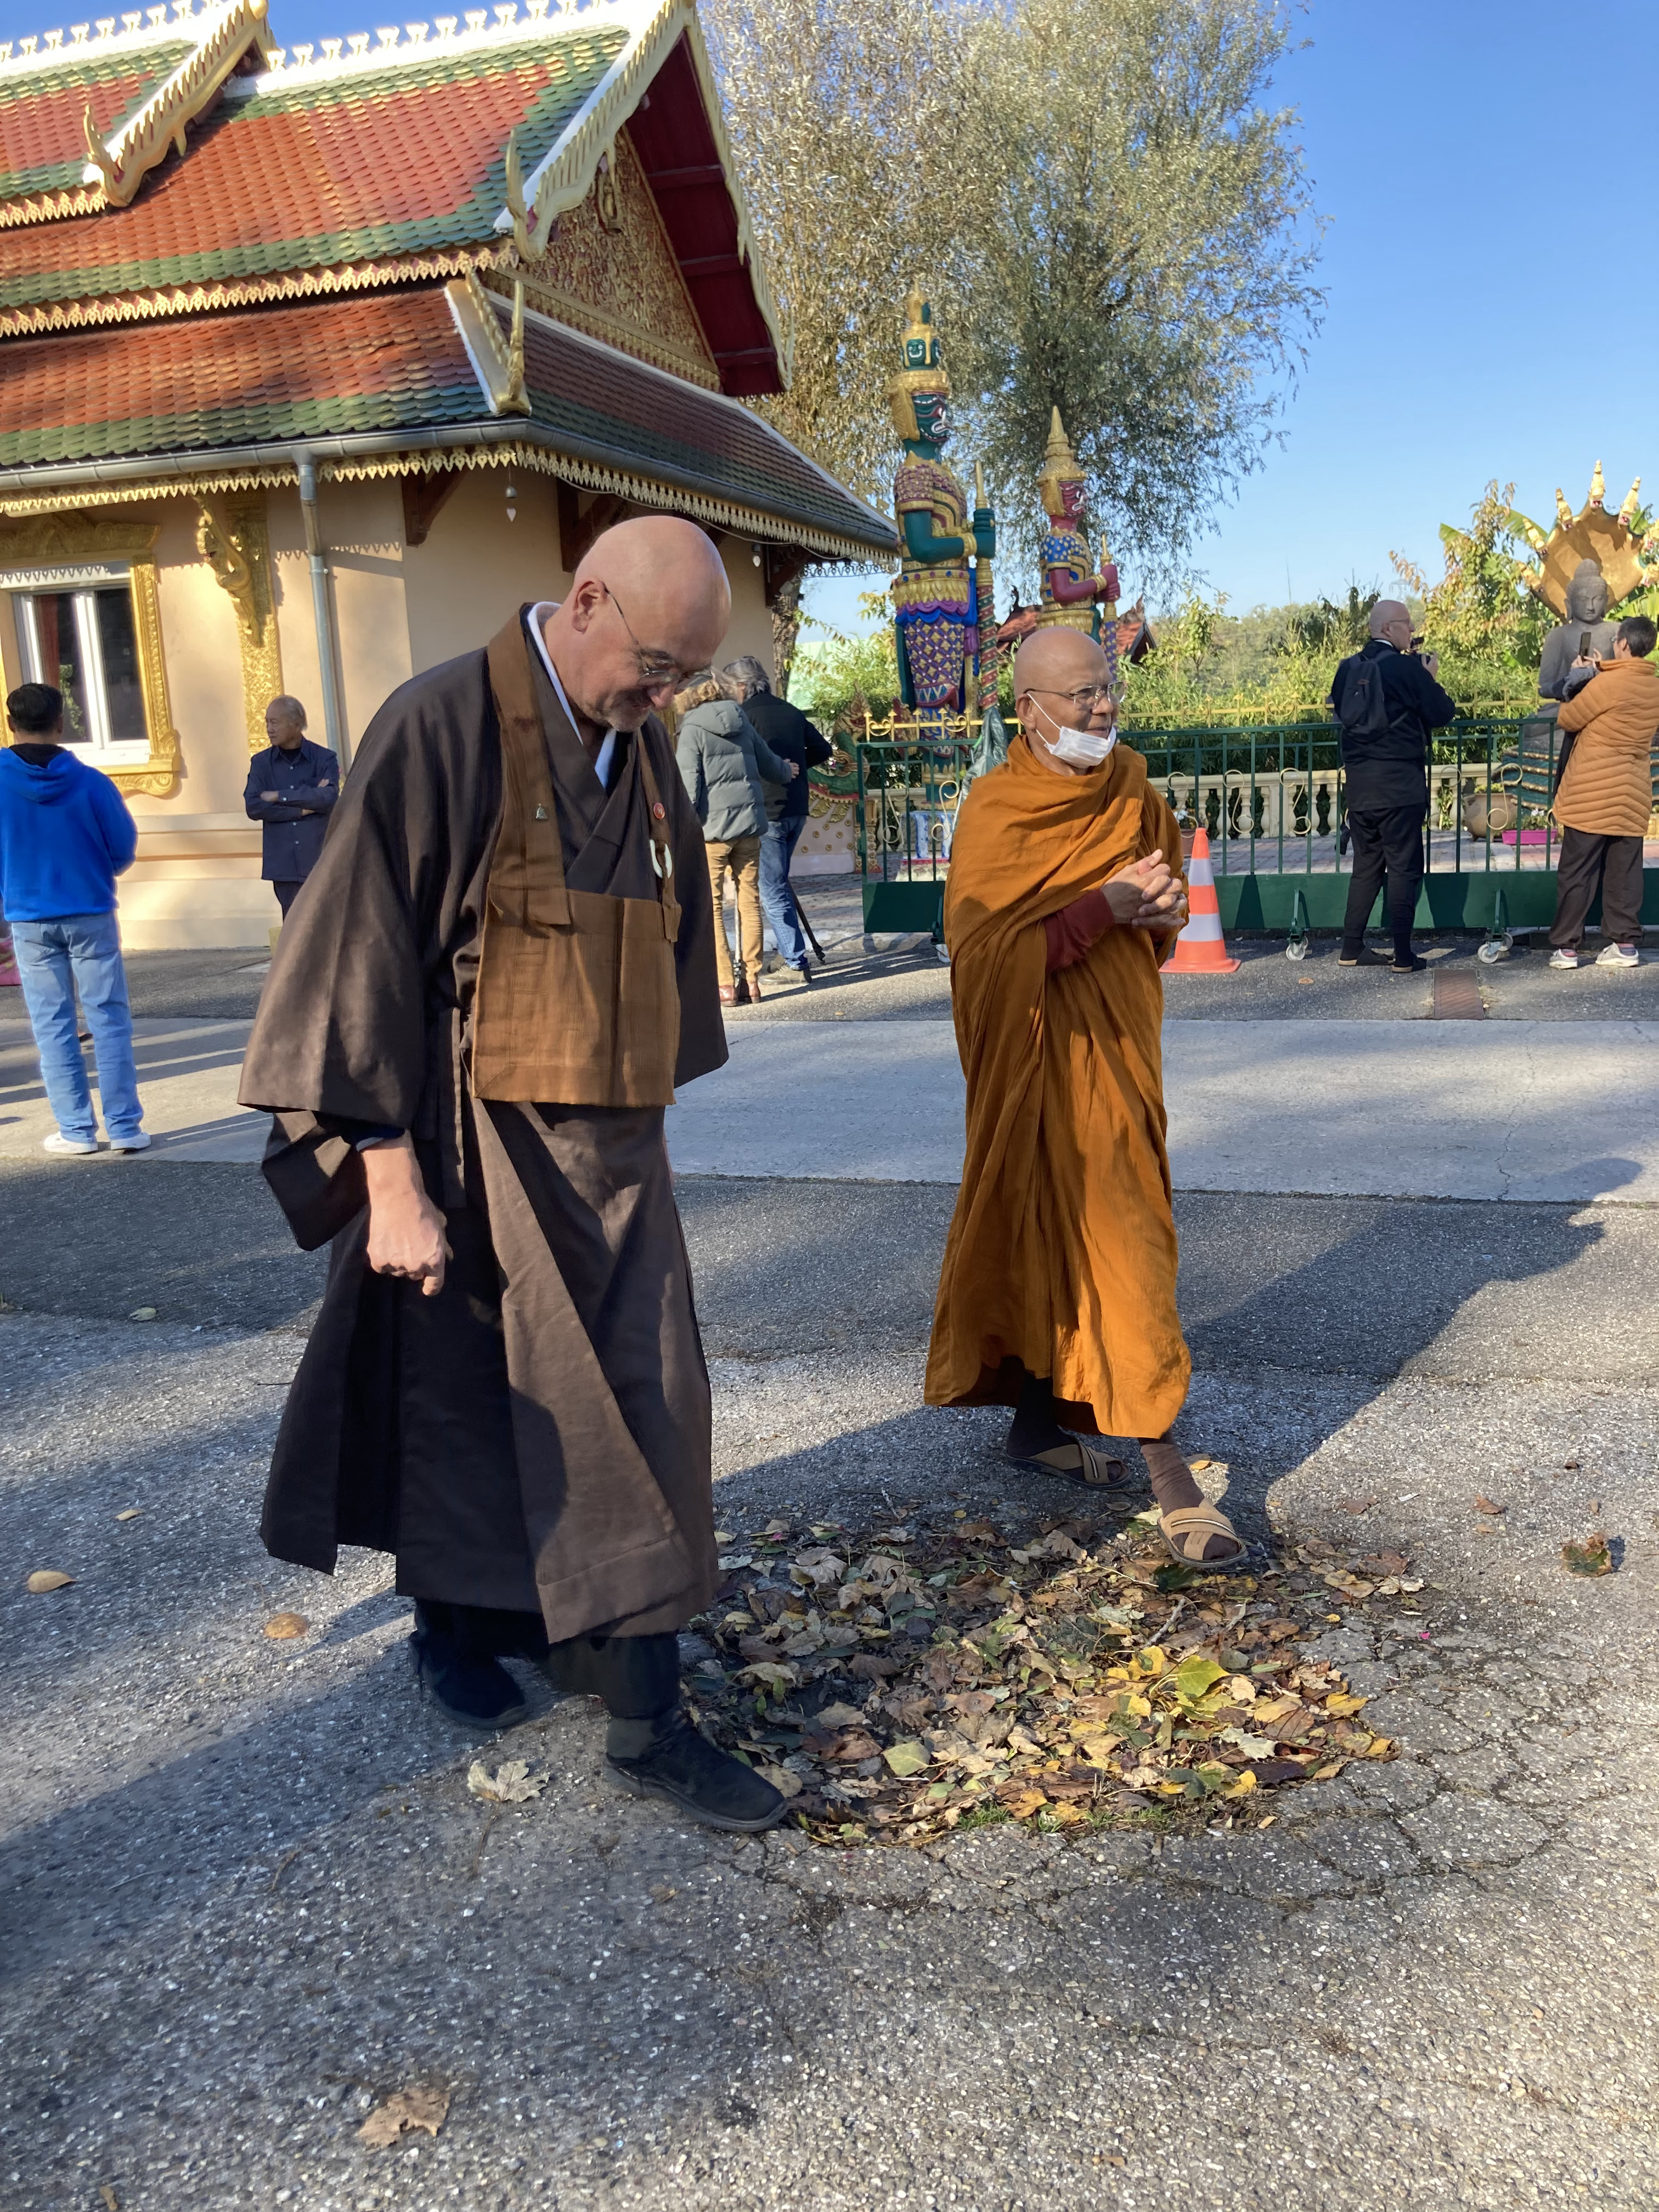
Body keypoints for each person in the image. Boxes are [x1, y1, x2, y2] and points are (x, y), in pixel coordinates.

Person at [238, 517, 788, 1833]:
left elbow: (663, 948)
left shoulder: (644, 741)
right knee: (474, 1401)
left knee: (651, 1398)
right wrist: (385, 1178)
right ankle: (493, 1648)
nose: (663, 700)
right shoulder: (438, 724)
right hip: (465, 1143)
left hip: (613, 1151)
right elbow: (357, 947)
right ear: (586, 597)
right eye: (654, 667)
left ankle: (621, 1670)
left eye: (682, 679)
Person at [924, 625, 1246, 1566]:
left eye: (1105, 690)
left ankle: (1036, 1424)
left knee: (1107, 1231)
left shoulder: (1133, 791)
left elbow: (1157, 921)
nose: (1100, 708)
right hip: (1033, 1061)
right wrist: (1095, 911)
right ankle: (1168, 1473)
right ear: (1026, 709)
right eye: (1077, 697)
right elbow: (979, 958)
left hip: (1114, 1047)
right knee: (1102, 1240)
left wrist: (1148, 913)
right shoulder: (994, 811)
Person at [0, 682, 148, 1156]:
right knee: (109, 1018)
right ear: (61, 723)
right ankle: (125, 1126)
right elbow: (123, 850)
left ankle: (76, 1130)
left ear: (9, 724)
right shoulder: (92, 783)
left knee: (52, 1023)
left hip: (28, 915)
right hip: (90, 910)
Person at [1328, 600, 1458, 973]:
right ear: (1387, 629)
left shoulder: (1347, 669)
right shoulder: (1405, 668)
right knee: (1403, 867)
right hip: (1400, 784)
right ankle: (1403, 956)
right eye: (1407, 624)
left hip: (1361, 786)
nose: (1412, 630)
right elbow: (1441, 713)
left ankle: (1351, 948)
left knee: (1366, 867)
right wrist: (1429, 677)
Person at [673, 670, 796, 1005]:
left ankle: (725, 983)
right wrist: (788, 771)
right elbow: (770, 764)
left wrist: (682, 828)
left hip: (711, 833)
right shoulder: (741, 718)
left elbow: (688, 786)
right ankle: (752, 981)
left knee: (712, 906)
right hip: (749, 826)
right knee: (749, 900)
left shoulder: (691, 730)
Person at [1547, 613, 1659, 969]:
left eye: (1615, 642)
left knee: (1577, 871)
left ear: (1624, 643)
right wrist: (1601, 671)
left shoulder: (1605, 685)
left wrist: (1583, 677)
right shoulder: (1654, 688)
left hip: (1591, 793)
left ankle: (1567, 947)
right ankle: (1625, 946)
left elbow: (1569, 718)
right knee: (1625, 872)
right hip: (1632, 793)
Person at [720, 655, 830, 985]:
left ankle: (795, 963)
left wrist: (772, 772)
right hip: (797, 806)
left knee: (771, 888)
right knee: (779, 882)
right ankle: (788, 949)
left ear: (742, 686)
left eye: (729, 689)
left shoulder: (744, 717)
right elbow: (823, 750)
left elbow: (736, 763)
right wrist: (793, 769)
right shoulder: (790, 710)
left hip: (766, 811)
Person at [243, 695, 338, 918]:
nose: (269, 729)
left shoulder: (324, 759)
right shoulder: (261, 763)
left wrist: (278, 796)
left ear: (296, 724)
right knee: (294, 926)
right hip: (284, 863)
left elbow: (328, 797)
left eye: (274, 722)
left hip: (318, 857)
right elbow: (254, 806)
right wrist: (303, 808)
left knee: (325, 921)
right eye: (267, 722)